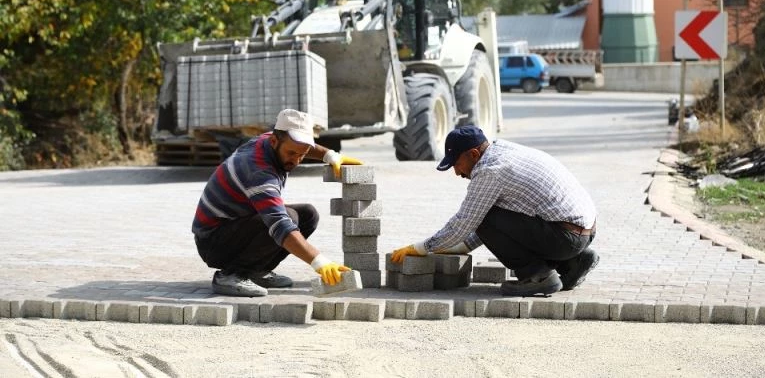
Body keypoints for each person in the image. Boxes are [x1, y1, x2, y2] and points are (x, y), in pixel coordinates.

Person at [391, 125, 598, 296]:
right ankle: (573, 262)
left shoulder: (489, 171)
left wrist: (422, 248)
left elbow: (466, 222)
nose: (457, 172)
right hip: (584, 231)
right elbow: (504, 224)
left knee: (483, 216)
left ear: (473, 154)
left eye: (457, 164)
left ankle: (537, 277)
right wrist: (460, 246)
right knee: (488, 213)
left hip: (564, 237)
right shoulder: (502, 150)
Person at [192, 109, 363, 297]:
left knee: (307, 215)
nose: (296, 160)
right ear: (274, 141)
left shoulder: (271, 139)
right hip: (213, 241)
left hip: (235, 226)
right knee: (286, 219)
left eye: (302, 154)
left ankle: (256, 271)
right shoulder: (258, 170)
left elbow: (301, 146)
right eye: (291, 153)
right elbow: (280, 224)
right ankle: (231, 275)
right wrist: (320, 262)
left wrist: (330, 155)